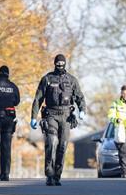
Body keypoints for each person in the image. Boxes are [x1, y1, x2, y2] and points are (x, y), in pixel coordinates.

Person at [30, 54, 86, 186]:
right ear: (54, 64)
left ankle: (57, 175)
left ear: (65, 64)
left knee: (62, 146)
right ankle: (49, 174)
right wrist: (33, 117)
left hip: (66, 116)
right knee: (51, 143)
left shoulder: (71, 80)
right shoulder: (47, 79)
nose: (60, 66)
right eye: (58, 63)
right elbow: (38, 99)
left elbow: (80, 97)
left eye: (62, 63)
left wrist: (82, 110)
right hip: (51, 114)